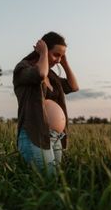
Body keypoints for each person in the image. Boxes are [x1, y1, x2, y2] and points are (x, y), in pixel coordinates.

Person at [12, 32, 79, 173]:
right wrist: (42, 54)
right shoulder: (23, 68)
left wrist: (65, 63)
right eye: (56, 54)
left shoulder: (52, 75)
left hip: (55, 138)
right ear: (44, 49)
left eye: (62, 56)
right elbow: (39, 74)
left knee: (56, 179)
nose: (58, 60)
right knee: (48, 181)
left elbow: (74, 87)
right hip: (35, 134)